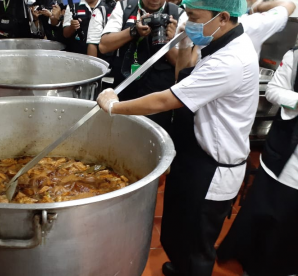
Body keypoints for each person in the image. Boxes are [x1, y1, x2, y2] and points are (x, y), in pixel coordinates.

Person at [96, 0, 258, 275]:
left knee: (197, 244)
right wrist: (182, 43)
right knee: (178, 230)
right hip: (193, 153)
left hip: (212, 167)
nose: (190, 23)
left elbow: (166, 100)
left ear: (222, 17)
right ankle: (181, 265)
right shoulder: (219, 42)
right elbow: (183, 71)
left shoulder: (230, 60)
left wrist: (114, 106)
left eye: (194, 17)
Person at [216, 42, 298, 276]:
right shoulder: (295, 57)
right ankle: (254, 265)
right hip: (287, 155)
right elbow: (273, 91)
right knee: (271, 213)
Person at [98, 0, 185, 131]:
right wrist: (134, 31)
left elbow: (181, 66)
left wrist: (170, 40)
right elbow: (104, 46)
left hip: (159, 96)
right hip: (126, 86)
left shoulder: (178, 14)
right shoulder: (125, 7)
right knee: (119, 133)